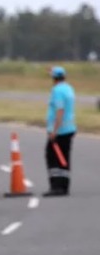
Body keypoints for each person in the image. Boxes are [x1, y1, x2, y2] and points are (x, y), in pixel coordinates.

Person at [43, 66, 76, 197]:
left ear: (54, 78)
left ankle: (56, 187)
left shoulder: (57, 91)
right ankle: (64, 186)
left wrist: (54, 131)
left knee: (53, 158)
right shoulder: (68, 88)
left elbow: (59, 110)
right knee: (64, 159)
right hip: (69, 128)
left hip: (60, 131)